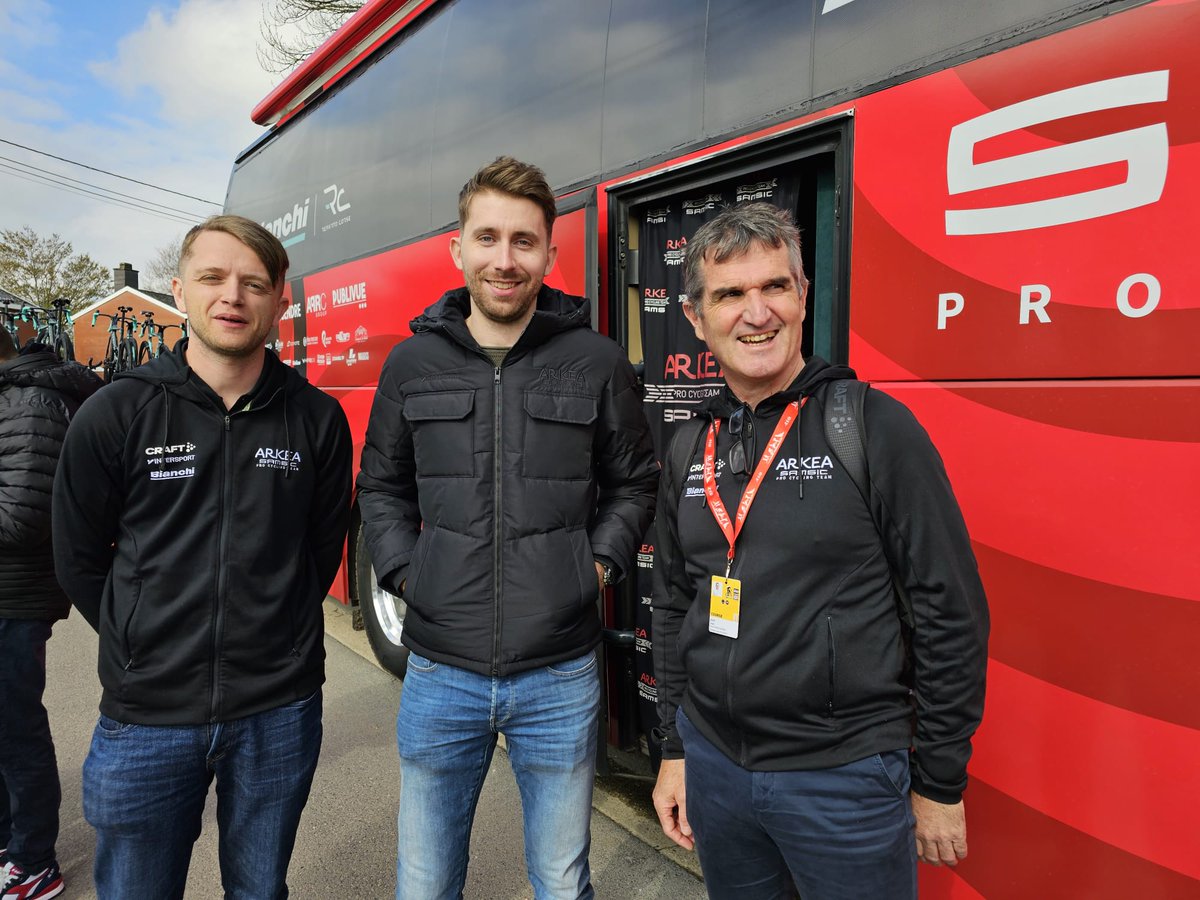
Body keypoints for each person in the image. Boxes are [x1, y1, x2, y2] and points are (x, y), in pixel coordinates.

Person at [650, 202, 989, 899]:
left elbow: (950, 610)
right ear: (696, 318)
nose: (757, 312)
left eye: (775, 286)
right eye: (730, 294)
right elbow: (677, 603)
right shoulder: (691, 445)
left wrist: (940, 780)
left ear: (803, 297)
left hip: (843, 779)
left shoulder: (873, 427)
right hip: (715, 763)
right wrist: (676, 747)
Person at [356, 156, 658, 899]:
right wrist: (406, 575)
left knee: (560, 881)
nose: (504, 258)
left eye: (524, 241)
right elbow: (381, 488)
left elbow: (634, 481)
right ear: (457, 249)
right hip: (438, 671)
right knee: (425, 883)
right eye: (486, 237)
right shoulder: (411, 364)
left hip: (559, 673)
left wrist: (596, 569)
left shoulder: (595, 362)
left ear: (551, 254)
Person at [52, 215, 352, 900]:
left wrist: (278, 641)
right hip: (146, 718)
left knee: (259, 889)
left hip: (278, 709)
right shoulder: (116, 413)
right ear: (180, 290)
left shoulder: (316, 419)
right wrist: (140, 639)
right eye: (213, 278)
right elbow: (76, 555)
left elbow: (319, 549)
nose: (232, 297)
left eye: (253, 283)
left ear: (280, 298)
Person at [0, 331, 101, 900]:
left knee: (16, 732)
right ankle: (9, 841)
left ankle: (34, 861)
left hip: (14, 594)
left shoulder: (30, 401)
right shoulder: (14, 394)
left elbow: (22, 516)